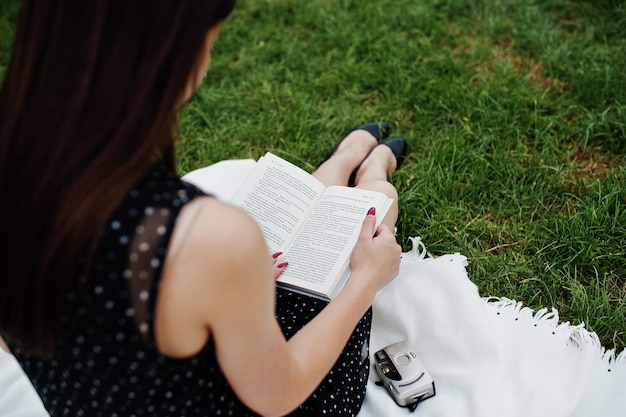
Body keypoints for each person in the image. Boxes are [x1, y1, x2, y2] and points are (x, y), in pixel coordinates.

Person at [0, 1, 407, 416]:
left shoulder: (19, 175)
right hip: (251, 397)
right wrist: (365, 282)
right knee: (373, 219)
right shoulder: (202, 238)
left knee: (302, 233)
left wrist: (207, 300)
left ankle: (342, 159)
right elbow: (279, 395)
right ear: (170, 54)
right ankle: (374, 168)